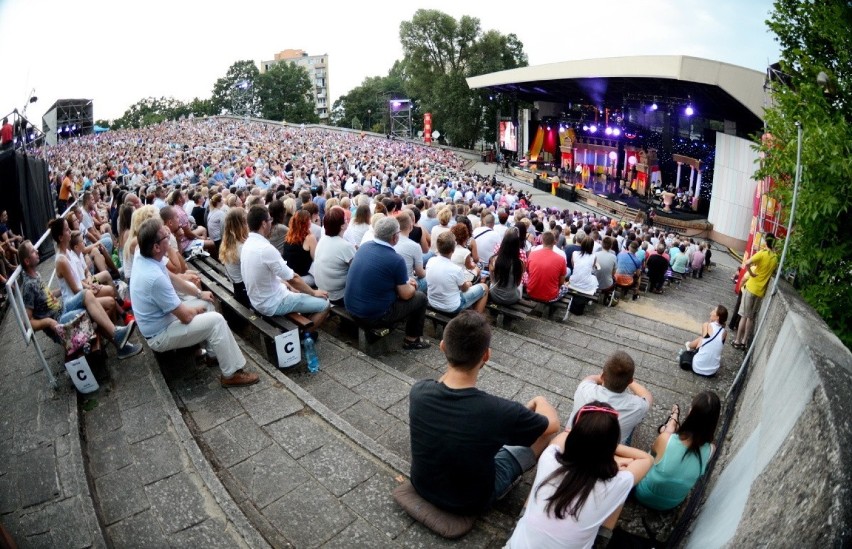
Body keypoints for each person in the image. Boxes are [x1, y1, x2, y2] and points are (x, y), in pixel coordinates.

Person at [409, 311, 559, 515]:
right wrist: (540, 400)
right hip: (470, 502)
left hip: (422, 484)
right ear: (486, 355)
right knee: (546, 434)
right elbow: (552, 425)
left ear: (442, 346)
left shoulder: (419, 391)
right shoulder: (499, 411)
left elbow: (443, 383)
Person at [129, 218, 259, 387]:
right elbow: (185, 316)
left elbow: (173, 278)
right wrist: (197, 310)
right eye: (165, 237)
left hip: (164, 320)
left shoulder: (144, 254)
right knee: (216, 320)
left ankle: (214, 356)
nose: (169, 237)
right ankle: (231, 374)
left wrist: (199, 293)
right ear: (156, 247)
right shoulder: (153, 278)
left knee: (207, 302)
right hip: (160, 334)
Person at [506, 401, 654, 549]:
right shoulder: (617, 482)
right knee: (620, 495)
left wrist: (589, 438)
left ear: (576, 435)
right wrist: (605, 446)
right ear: (612, 443)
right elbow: (646, 459)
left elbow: (564, 435)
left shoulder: (549, 458)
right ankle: (602, 540)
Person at [18, 239, 141, 359]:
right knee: (93, 311)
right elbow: (27, 322)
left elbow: (46, 297)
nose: (37, 251)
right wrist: (49, 322)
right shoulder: (29, 285)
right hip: (59, 321)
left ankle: (118, 338)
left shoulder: (36, 275)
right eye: (33, 251)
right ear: (27, 261)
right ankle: (119, 341)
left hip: (63, 310)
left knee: (87, 294)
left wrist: (61, 290)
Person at [344, 216, 430, 350]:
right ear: (395, 237)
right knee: (421, 298)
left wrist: (405, 282)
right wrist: (412, 286)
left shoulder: (364, 246)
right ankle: (411, 339)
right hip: (372, 316)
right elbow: (406, 295)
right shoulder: (395, 259)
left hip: (351, 308)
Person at [240, 205, 329, 330]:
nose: (271, 223)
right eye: (270, 220)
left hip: (258, 300)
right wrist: (313, 292)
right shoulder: (265, 249)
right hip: (273, 303)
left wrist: (286, 284)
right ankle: (304, 336)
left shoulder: (247, 244)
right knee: (325, 304)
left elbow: (271, 275)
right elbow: (293, 278)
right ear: (263, 224)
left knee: (296, 290)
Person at [635, 392, 721, 511]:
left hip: (644, 494)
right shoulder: (711, 450)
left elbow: (653, 452)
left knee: (649, 454)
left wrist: (667, 433)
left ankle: (673, 420)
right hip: (671, 504)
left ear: (691, 413)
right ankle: (672, 420)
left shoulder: (666, 439)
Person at [567, 351, 653, 444]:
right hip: (609, 450)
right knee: (636, 420)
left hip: (574, 442)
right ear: (630, 381)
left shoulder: (584, 389)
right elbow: (647, 395)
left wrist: (609, 376)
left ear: (603, 376)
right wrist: (626, 380)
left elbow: (591, 378)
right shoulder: (638, 407)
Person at [732, 233, 778, 350]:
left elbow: (747, 263)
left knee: (743, 316)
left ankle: (737, 341)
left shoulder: (762, 254)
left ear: (765, 242)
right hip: (760, 292)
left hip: (751, 287)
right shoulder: (775, 258)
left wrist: (751, 273)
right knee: (751, 318)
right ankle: (744, 341)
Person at [426, 231, 488, 314]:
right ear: (453, 249)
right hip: (452, 307)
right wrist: (468, 284)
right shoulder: (456, 269)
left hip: (432, 302)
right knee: (485, 287)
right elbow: (464, 289)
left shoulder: (430, 261)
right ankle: (475, 321)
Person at [313, 206, 355, 305]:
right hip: (338, 296)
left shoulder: (322, 240)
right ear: (342, 226)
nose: (347, 221)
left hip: (322, 289)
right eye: (345, 220)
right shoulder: (346, 246)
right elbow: (358, 272)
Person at [218, 207, 251, 308]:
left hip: (238, 288)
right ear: (242, 225)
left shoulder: (228, 242)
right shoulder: (241, 247)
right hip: (245, 291)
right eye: (246, 222)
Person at [681, 305, 728, 377]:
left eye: (714, 311)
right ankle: (690, 345)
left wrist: (710, 322)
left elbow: (701, 343)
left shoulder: (707, 325)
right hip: (712, 372)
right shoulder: (724, 332)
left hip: (697, 367)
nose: (711, 312)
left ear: (717, 317)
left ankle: (689, 346)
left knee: (701, 339)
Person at [526, 231, 570, 303]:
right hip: (550, 296)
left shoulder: (532, 254)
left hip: (531, 292)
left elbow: (528, 272)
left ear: (542, 241)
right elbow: (561, 282)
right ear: (555, 242)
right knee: (565, 287)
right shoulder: (561, 259)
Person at [488, 229, 525, 306]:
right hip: (512, 298)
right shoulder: (520, 263)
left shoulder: (493, 259)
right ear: (517, 246)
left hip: (494, 295)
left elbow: (492, 280)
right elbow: (517, 283)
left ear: (503, 244)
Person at [282, 210, 318, 287]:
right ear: (307, 223)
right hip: (304, 278)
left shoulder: (288, 237)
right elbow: (316, 258)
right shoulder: (310, 238)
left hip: (289, 277)